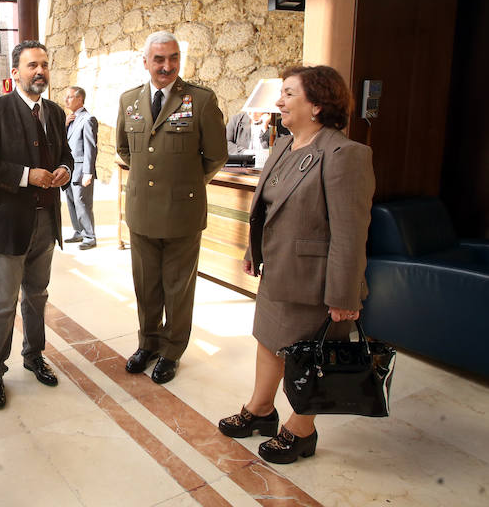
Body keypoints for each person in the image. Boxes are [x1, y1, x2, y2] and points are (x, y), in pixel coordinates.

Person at [217, 65, 375, 465]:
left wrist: (344, 295)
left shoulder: (345, 155)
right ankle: (261, 411)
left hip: (316, 283)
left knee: (309, 357)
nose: (279, 101)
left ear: (318, 104)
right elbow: (266, 210)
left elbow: (350, 233)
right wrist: (254, 252)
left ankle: (302, 430)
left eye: (288, 94)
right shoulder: (284, 145)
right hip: (278, 274)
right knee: (268, 340)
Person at [0, 40, 74, 410]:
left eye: (44, 64)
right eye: (32, 65)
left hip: (46, 222)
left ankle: (34, 355)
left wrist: (64, 170)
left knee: (38, 296)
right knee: (2, 303)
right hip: (8, 224)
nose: (39, 71)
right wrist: (27, 175)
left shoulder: (56, 113)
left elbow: (66, 155)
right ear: (15, 73)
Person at [115, 30, 228, 385]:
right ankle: (147, 344)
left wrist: (186, 186)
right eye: (159, 59)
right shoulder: (129, 100)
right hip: (141, 211)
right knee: (146, 286)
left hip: (182, 213)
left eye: (173, 58)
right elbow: (123, 149)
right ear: (145, 62)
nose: (167, 66)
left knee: (178, 289)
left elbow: (216, 155)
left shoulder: (201, 100)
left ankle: (172, 351)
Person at [62, 86, 99, 250]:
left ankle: (89, 236)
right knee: (71, 202)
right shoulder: (71, 118)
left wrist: (88, 173)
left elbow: (90, 148)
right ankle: (78, 231)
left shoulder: (88, 119)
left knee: (82, 202)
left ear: (80, 99)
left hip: (81, 170)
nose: (66, 100)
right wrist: (64, 126)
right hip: (69, 170)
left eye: (69, 97)